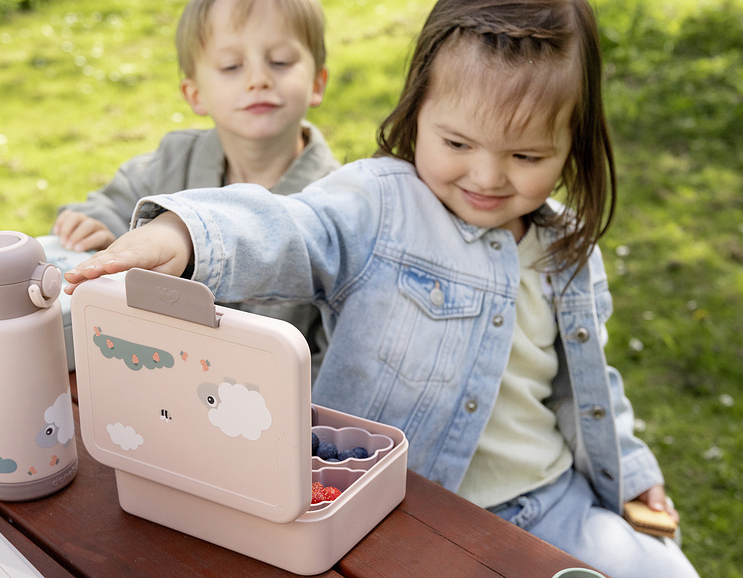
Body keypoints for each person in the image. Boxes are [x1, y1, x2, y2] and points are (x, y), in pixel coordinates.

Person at [63, 0, 700, 575]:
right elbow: (291, 227)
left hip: (551, 496)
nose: (487, 176)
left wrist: (633, 471)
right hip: (396, 506)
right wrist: (185, 235)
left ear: (572, 144)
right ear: (418, 111)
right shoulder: (379, 205)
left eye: (526, 156)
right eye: (457, 142)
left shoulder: (566, 247)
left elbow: (587, 384)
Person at [55, 0, 340, 372]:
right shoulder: (176, 160)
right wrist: (97, 227)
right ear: (195, 94)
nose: (258, 79)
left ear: (317, 83)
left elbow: (332, 358)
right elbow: (110, 205)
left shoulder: (333, 206)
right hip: (154, 373)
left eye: (280, 61)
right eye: (231, 66)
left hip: (264, 398)